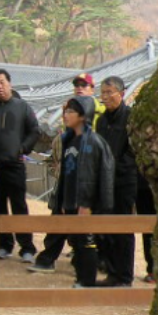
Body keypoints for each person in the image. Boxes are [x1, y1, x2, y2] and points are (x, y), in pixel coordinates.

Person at [49, 96, 114, 287]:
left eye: (71, 112)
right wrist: (62, 201)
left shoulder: (93, 142)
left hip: (86, 203)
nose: (65, 115)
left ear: (83, 116)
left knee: (86, 242)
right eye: (65, 111)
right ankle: (80, 279)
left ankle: (87, 281)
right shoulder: (68, 140)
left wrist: (87, 204)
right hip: (70, 199)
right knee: (76, 242)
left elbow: (100, 176)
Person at [0, 68, 39, 262]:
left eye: (2, 82)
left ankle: (27, 247)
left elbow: (34, 131)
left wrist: (23, 149)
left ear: (9, 83)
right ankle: (4, 245)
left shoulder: (22, 107)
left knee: (19, 206)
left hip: (14, 165)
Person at [95, 76, 137, 287]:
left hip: (124, 180)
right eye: (102, 93)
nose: (105, 97)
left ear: (121, 93)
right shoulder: (102, 121)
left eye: (109, 92)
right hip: (104, 181)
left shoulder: (130, 118)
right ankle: (112, 272)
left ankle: (124, 276)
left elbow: (133, 150)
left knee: (123, 228)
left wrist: (117, 167)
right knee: (106, 227)